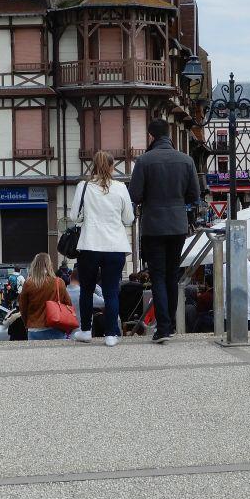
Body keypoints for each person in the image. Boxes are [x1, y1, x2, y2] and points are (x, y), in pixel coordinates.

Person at [129, 118, 200, 343]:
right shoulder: (186, 161)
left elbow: (134, 196)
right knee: (172, 275)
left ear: (151, 136)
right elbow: (194, 196)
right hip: (177, 225)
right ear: (169, 135)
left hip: (153, 226)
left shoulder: (144, 161)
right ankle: (169, 324)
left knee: (158, 276)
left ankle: (163, 326)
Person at [69, 150, 135, 348]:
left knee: (87, 290)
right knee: (111, 291)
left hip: (90, 245)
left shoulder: (84, 186)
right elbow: (129, 219)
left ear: (93, 166)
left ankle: (86, 331)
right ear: (112, 166)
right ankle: (111, 334)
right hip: (115, 246)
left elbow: (74, 217)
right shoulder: (121, 187)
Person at [18, 252, 72, 340]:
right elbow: (68, 304)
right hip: (56, 327)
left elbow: (23, 307)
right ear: (49, 265)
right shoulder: (59, 282)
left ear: (34, 265)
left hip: (34, 328)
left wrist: (27, 323)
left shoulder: (28, 283)